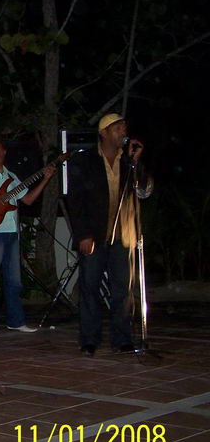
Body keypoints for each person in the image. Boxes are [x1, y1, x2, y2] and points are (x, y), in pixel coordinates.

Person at [67, 113, 151, 356]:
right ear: (104, 133)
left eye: (124, 127)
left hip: (123, 235)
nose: (123, 132)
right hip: (94, 235)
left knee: (122, 289)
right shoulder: (85, 160)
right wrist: (83, 235)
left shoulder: (128, 162)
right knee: (90, 287)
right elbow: (76, 201)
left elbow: (144, 191)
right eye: (117, 128)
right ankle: (89, 339)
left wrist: (136, 163)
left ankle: (122, 339)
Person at [0, 141, 56, 334]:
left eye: (1, 150)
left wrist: (45, 179)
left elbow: (28, 199)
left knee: (14, 281)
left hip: (12, 232)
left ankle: (16, 321)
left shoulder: (11, 176)